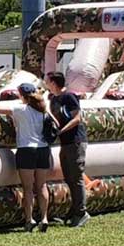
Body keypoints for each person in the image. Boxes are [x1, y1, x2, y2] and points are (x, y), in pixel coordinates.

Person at [0, 83, 51, 232]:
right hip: (43, 149)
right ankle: (44, 217)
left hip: (26, 150)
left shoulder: (20, 109)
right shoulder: (42, 110)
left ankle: (29, 219)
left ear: (21, 95)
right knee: (42, 185)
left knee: (28, 188)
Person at [45, 71, 90, 228]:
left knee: (76, 176)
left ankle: (82, 212)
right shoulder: (53, 99)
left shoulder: (69, 97)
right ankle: (74, 209)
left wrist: (61, 130)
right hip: (65, 143)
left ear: (53, 82)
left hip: (75, 141)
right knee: (69, 176)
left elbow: (77, 118)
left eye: (47, 80)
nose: (45, 82)